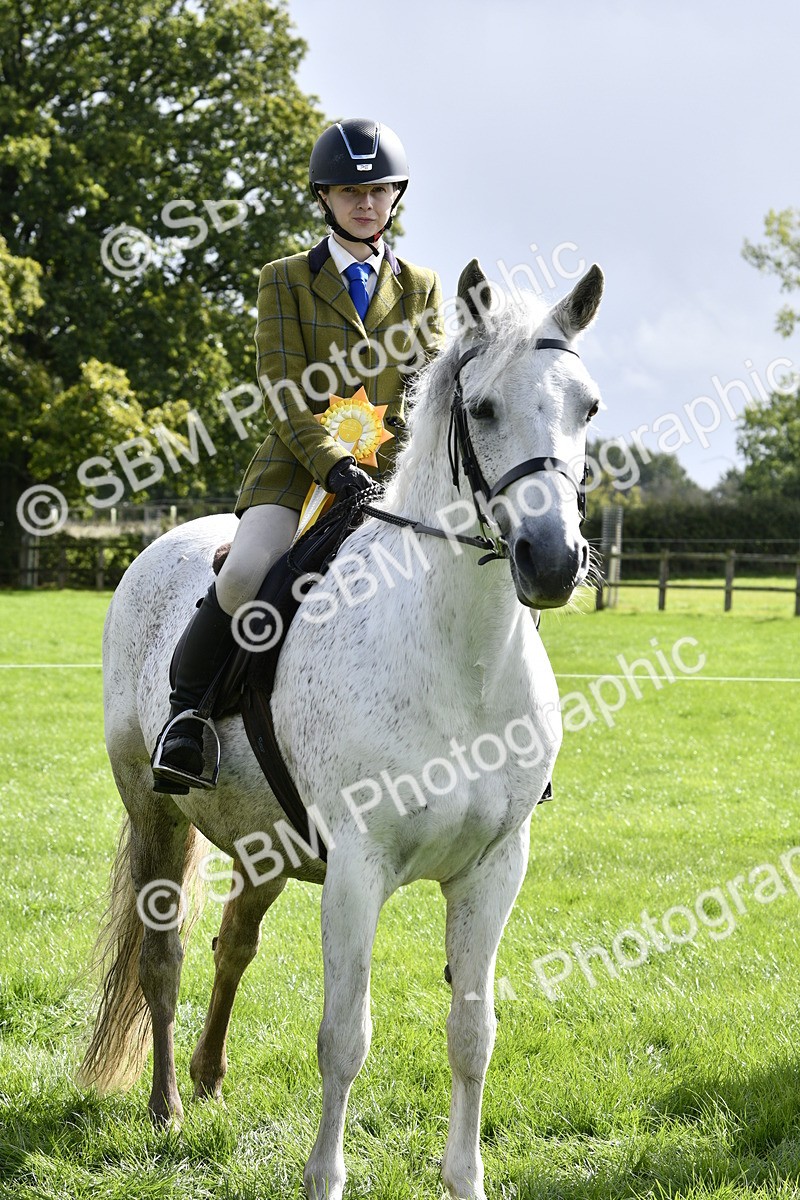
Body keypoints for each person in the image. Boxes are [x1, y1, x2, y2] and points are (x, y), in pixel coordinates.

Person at [152, 118, 444, 793]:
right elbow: (282, 391)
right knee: (244, 573)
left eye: (376, 191)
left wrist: (398, 465)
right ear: (324, 198)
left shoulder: (423, 286)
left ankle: (507, 736)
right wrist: (333, 465)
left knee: (479, 564)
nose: (364, 203)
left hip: (394, 475)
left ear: (396, 196)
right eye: (349, 192)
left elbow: (430, 391)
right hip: (297, 468)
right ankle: (187, 717)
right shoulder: (284, 279)